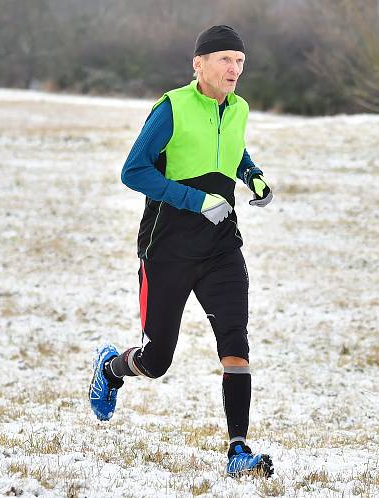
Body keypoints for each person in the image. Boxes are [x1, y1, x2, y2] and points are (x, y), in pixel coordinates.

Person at [88, 25, 274, 478]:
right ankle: (113, 369)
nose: (235, 69)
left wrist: (252, 175)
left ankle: (237, 452)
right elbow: (133, 171)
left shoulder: (239, 109)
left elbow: (232, 148)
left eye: (240, 62)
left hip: (220, 248)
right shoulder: (172, 108)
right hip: (167, 249)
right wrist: (194, 200)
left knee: (236, 345)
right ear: (199, 64)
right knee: (157, 361)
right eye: (226, 59)